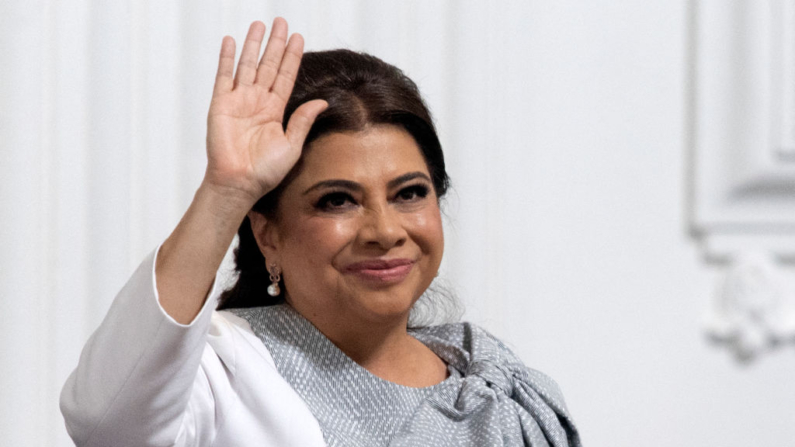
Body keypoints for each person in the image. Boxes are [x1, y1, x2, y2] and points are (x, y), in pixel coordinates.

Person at [60, 18, 581, 447]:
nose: (383, 230)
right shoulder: (223, 371)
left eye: (409, 193)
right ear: (267, 235)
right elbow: (107, 426)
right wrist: (226, 190)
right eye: (337, 201)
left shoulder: (498, 388)